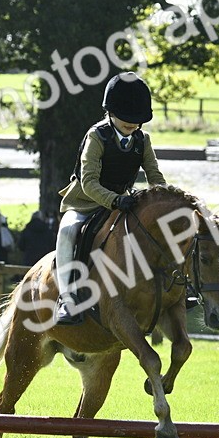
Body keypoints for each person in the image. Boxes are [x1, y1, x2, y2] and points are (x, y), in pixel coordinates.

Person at [54, 71, 165, 324]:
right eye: (127, 118)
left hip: (124, 202)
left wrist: (163, 200)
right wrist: (114, 200)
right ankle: (66, 299)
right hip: (86, 201)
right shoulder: (97, 136)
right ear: (110, 112)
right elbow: (89, 181)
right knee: (68, 231)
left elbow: (154, 175)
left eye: (137, 120)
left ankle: (172, 289)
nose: (132, 124)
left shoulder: (142, 140)